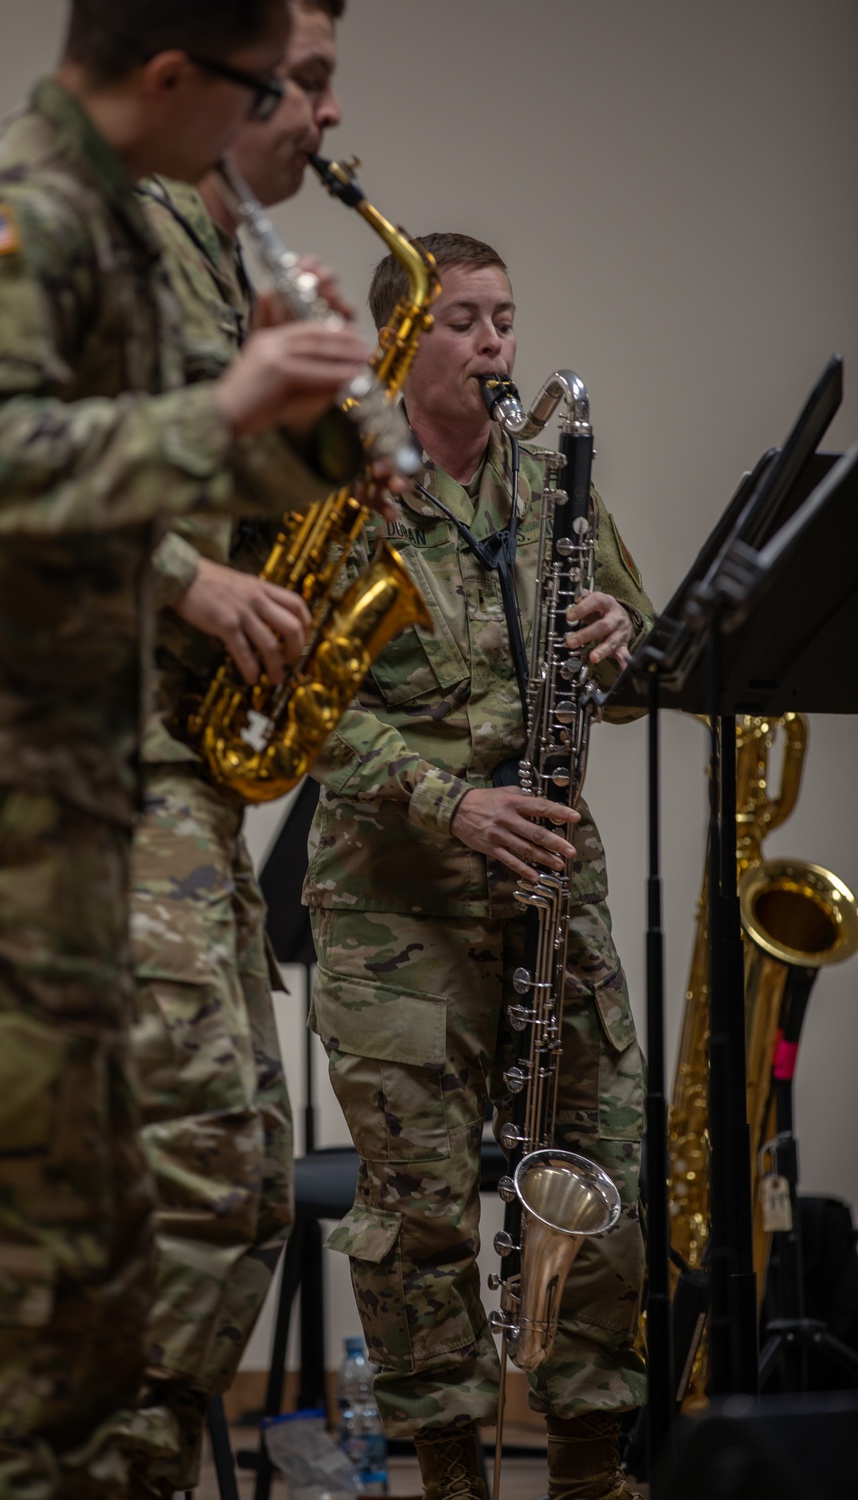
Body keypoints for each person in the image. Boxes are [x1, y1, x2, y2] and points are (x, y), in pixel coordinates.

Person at [0, 3, 380, 1497]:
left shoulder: (127, 225)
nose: (283, 116)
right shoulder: (3, 212)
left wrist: (315, 430)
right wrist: (226, 403)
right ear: (173, 78)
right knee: (5, 1276)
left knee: (107, 1250)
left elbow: (160, 460)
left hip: (81, 783)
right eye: (263, 87)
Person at [305, 233, 655, 1500]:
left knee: (600, 1173)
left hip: (555, 893)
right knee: (423, 1223)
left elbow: (631, 651)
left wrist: (622, 638)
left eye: (506, 317)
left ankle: (587, 1467)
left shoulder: (551, 481)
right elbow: (310, 706)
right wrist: (452, 804)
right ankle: (446, 1475)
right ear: (405, 339)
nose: (497, 343)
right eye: (464, 319)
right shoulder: (335, 494)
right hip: (400, 919)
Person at [120, 5, 349, 1494]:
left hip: (188, 773)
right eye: (308, 83)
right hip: (94, 764)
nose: (325, 120)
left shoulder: (245, 257)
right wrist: (186, 572)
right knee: (204, 1179)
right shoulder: (122, 229)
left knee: (254, 1184)